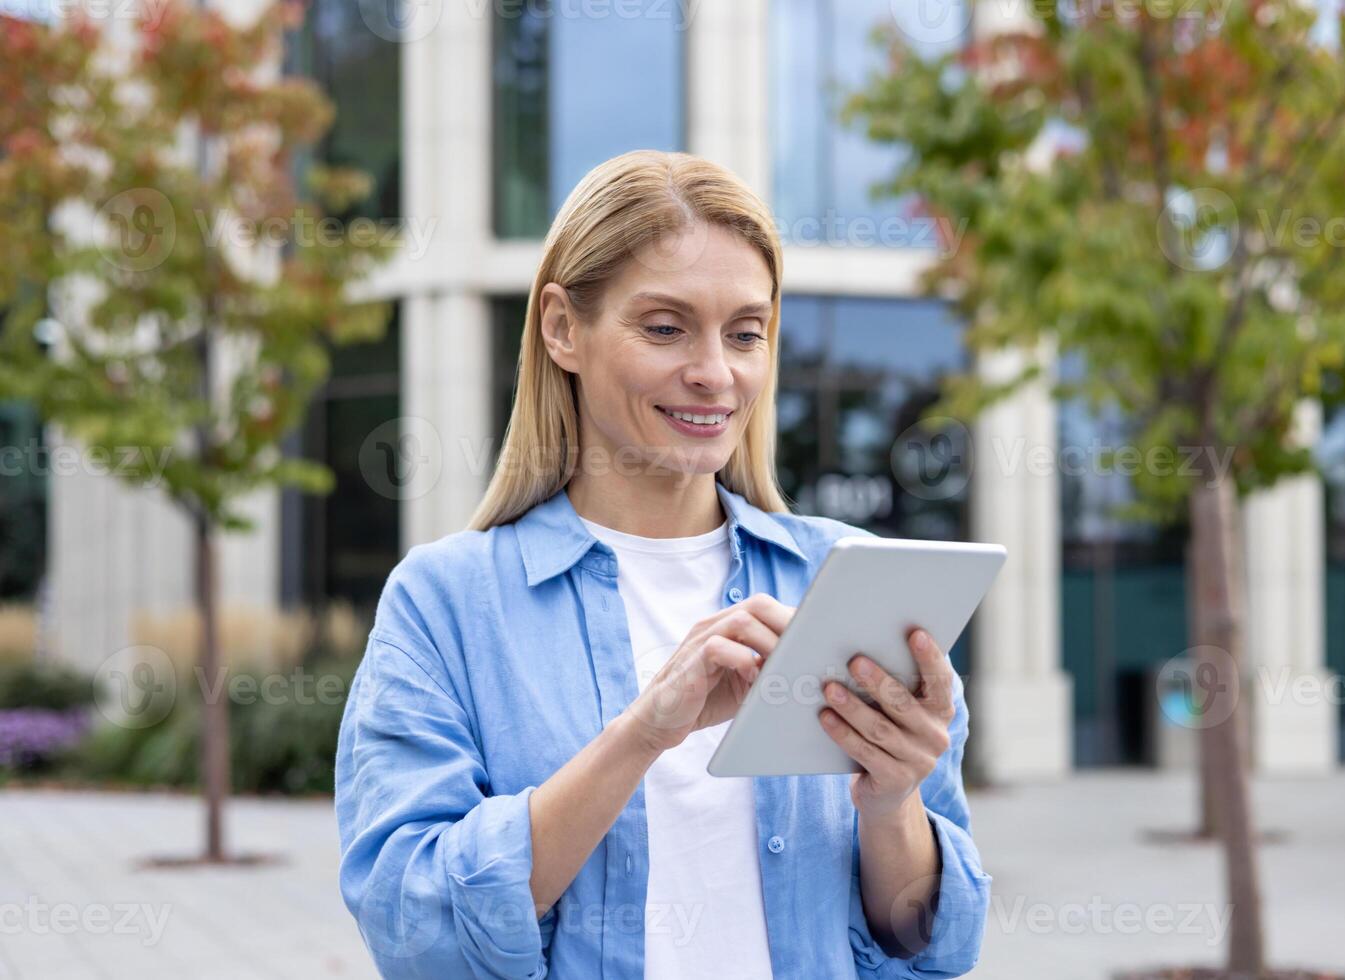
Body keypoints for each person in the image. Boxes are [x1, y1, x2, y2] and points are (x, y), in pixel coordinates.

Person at [334, 149, 991, 979]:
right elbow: (415, 928)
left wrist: (892, 800)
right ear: (563, 328)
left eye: (746, 334)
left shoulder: (847, 579)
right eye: (665, 327)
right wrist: (642, 735)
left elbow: (932, 942)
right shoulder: (447, 603)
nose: (716, 374)